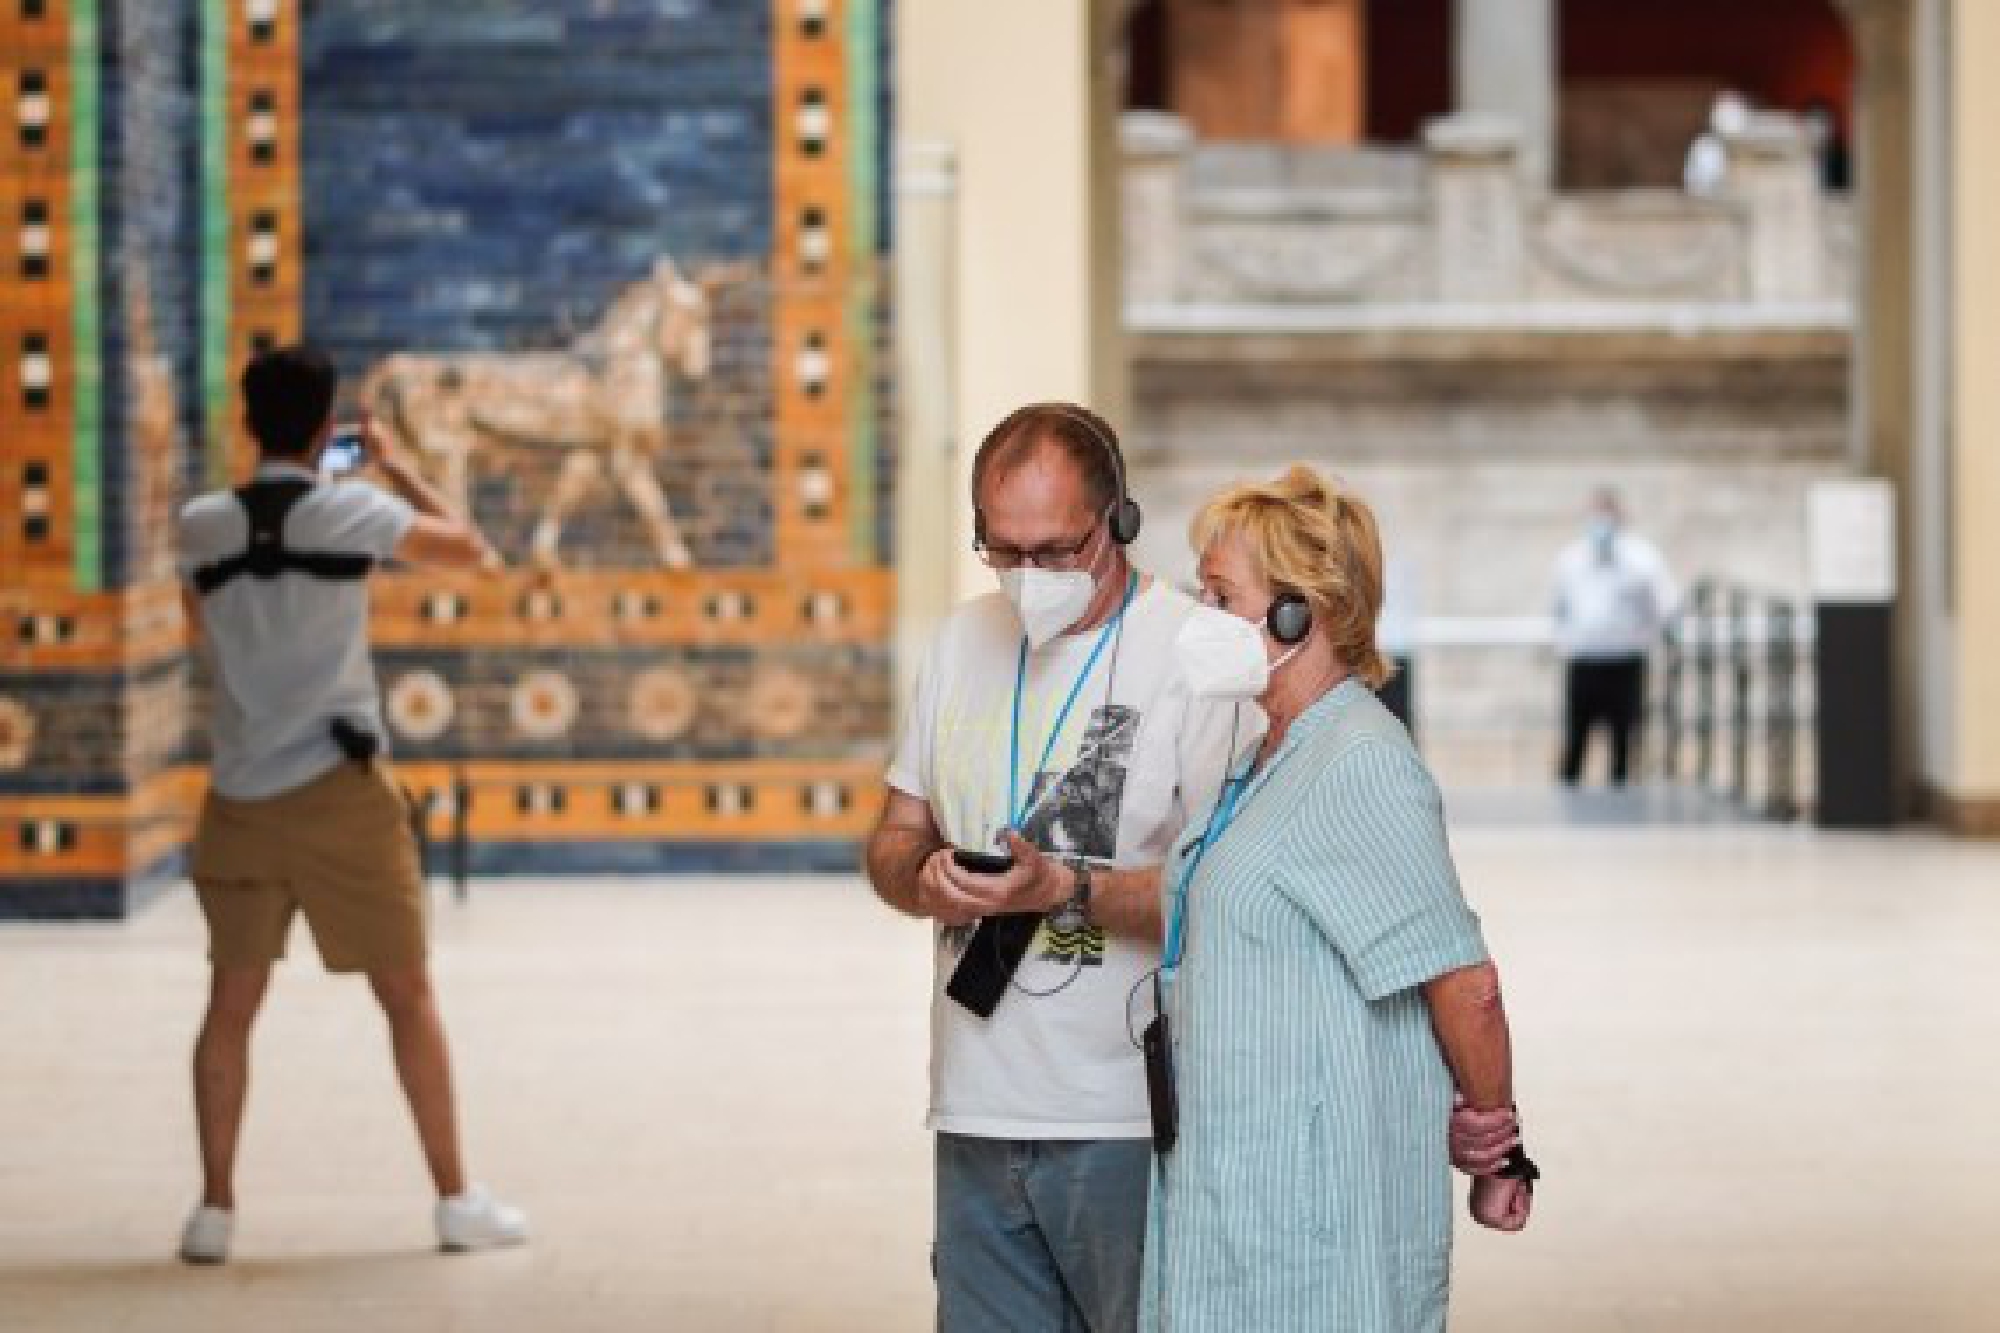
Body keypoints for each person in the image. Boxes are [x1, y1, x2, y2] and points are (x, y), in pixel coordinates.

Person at [864, 402, 1242, 1331]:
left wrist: (1066, 888)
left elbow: (1227, 898)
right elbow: (891, 834)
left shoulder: (1200, 656)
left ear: (1119, 520)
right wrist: (923, 875)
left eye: (1055, 550)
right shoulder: (960, 643)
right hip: (976, 1104)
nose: (1027, 577)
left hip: (1131, 1120)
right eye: (1003, 551)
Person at [1141, 465, 1535, 1332]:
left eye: (1219, 595)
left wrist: (1496, 1143)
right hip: (1236, 1188)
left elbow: (1464, 981)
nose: (1198, 618)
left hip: (1311, 1220)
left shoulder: (1359, 762)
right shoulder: (1267, 749)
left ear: (1299, 611)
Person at [174, 345, 526, 1264]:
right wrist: (394, 467)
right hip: (341, 790)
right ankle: (454, 1199)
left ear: (247, 424)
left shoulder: (203, 525)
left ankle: (213, 1209)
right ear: (327, 428)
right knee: (406, 994)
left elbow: (191, 629)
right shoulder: (353, 510)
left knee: (230, 1000)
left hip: (238, 794)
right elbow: (473, 552)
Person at [1551, 487, 1678, 786]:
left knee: (1623, 739)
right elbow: (1557, 609)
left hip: (1625, 660)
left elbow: (1664, 605)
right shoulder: (1570, 559)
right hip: (1583, 660)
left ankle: (1621, 807)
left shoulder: (1643, 559)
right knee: (1575, 738)